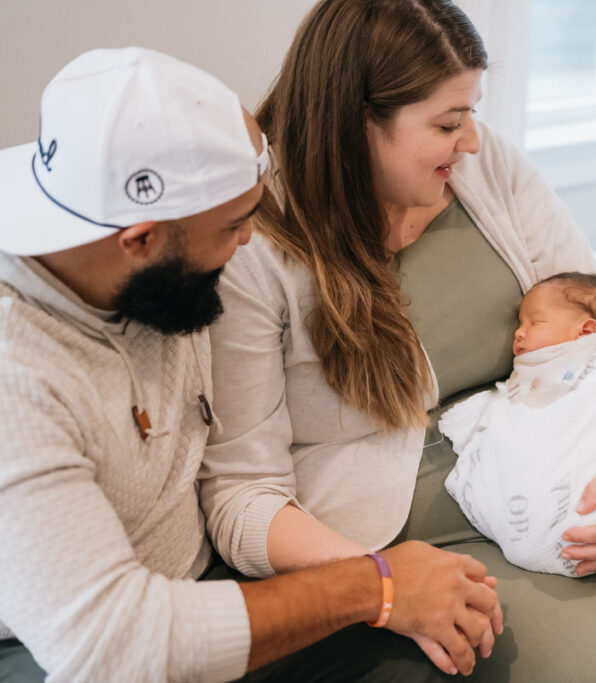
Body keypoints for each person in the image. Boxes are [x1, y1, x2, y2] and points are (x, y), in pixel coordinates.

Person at [203, 0, 596, 679]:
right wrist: (380, 580)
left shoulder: (479, 167)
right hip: (407, 536)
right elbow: (239, 497)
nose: (470, 139)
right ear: (359, 123)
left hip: (567, 448)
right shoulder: (254, 244)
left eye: (471, 112)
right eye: (447, 122)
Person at [0, 47, 500, 682]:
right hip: (61, 652)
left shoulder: (133, 267)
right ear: (140, 240)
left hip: (208, 587)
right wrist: (377, 585)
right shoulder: (18, 380)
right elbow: (113, 646)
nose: (250, 243)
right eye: (237, 226)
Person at [441, 273, 596, 576]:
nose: (518, 333)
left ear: (585, 331)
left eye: (535, 323)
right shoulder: (533, 375)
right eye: (519, 323)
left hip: (583, 506)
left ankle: (563, 520)